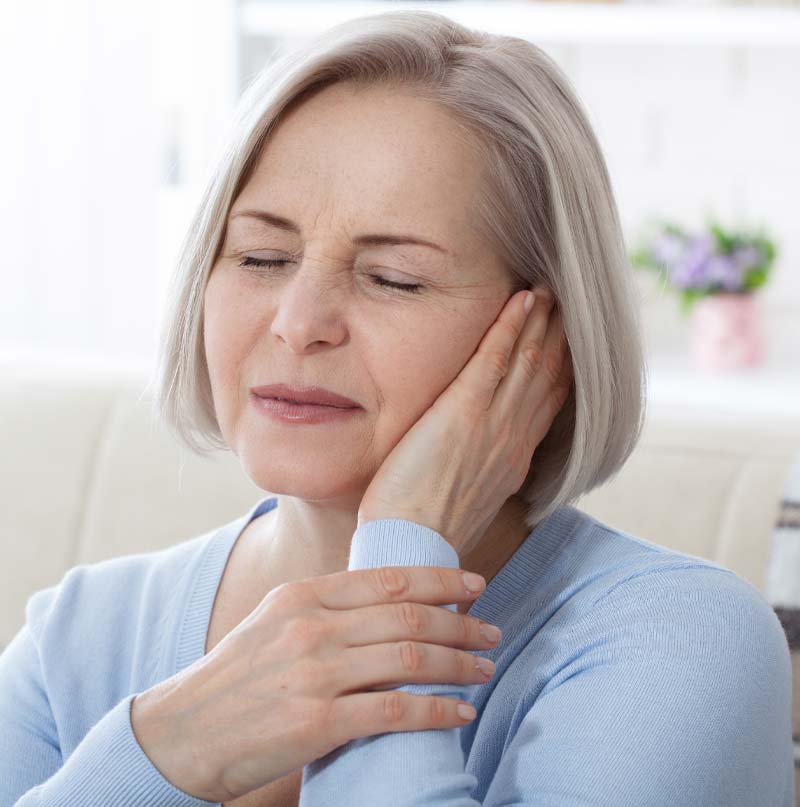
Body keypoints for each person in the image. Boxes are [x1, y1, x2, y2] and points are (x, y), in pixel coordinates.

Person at [0, 9, 794, 807]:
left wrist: (404, 553)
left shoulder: (685, 641)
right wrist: (170, 746)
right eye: (262, 256)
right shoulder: (76, 637)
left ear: (547, 338)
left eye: (394, 278)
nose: (299, 323)